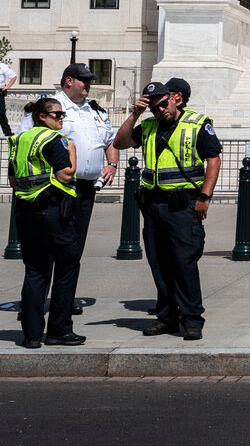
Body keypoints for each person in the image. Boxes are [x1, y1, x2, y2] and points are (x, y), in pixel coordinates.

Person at [113, 78, 221, 340]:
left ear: (174, 99)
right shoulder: (148, 125)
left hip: (183, 205)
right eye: (154, 108)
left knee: (184, 264)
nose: (160, 110)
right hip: (153, 205)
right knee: (159, 265)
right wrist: (135, 114)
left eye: (163, 104)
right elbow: (120, 143)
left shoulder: (196, 123)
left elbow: (213, 159)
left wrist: (205, 196)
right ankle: (167, 318)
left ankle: (192, 319)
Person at [18, 61, 118, 315]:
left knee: (73, 250)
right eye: (84, 80)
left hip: (84, 189)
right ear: (69, 81)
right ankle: (36, 303)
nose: (89, 85)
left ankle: (64, 301)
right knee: (47, 251)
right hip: (53, 191)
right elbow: (24, 143)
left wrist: (112, 163)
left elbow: (110, 140)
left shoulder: (95, 111)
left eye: (90, 80)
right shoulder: (49, 108)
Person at [8, 97, 84, 348]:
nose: (61, 118)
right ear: (43, 117)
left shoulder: (19, 140)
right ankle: (59, 330)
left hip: (26, 212)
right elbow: (66, 173)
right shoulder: (54, 139)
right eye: (57, 115)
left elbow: (13, 180)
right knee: (67, 265)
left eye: (62, 115)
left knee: (35, 271)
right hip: (52, 211)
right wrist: (72, 151)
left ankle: (30, 335)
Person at [0, 56, 15, 137]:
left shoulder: (3, 67)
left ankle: (7, 131)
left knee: (1, 112)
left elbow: (13, 76)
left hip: (0, 91)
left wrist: (7, 86)